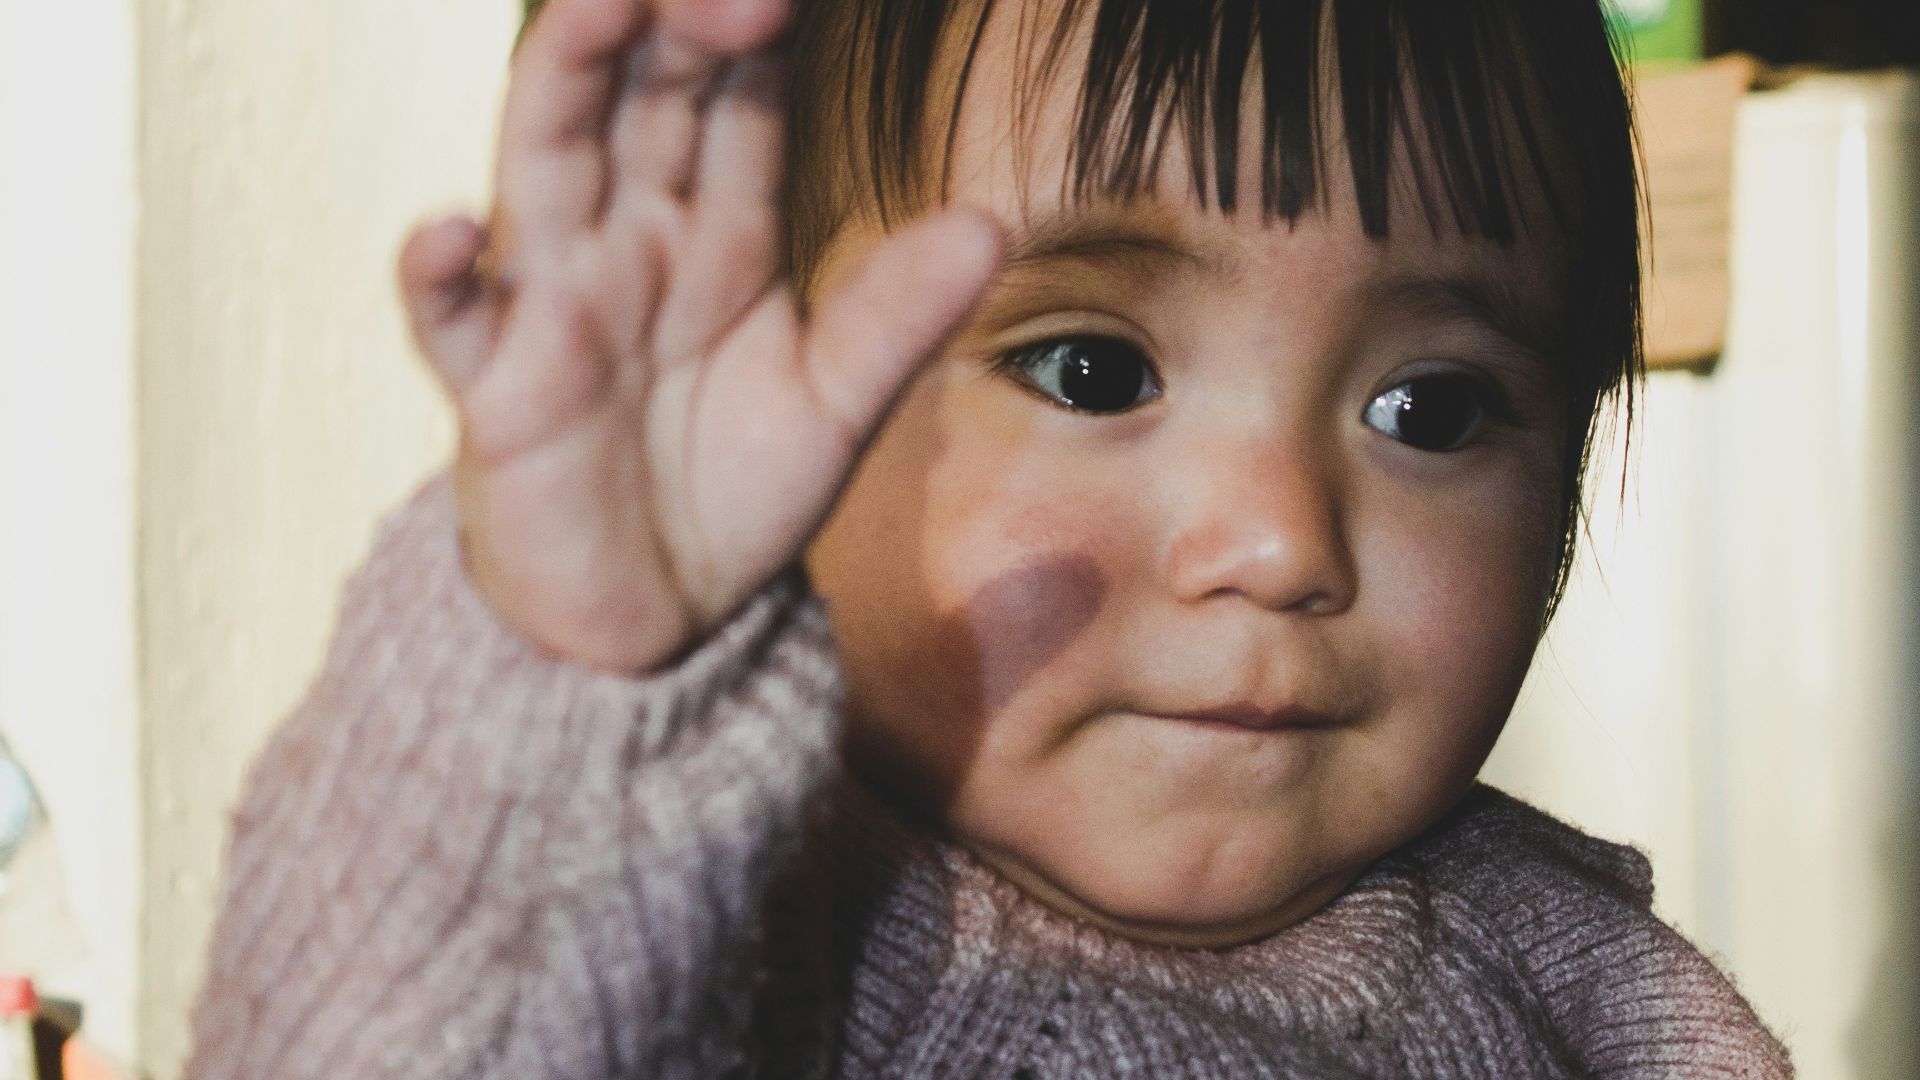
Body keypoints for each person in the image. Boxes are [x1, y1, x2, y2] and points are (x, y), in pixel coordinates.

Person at [182, 0, 1792, 1075]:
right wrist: (573, 676)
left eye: (1428, 408)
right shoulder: (747, 943)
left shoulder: (1591, 986)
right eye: (1093, 371)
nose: (1278, 542)